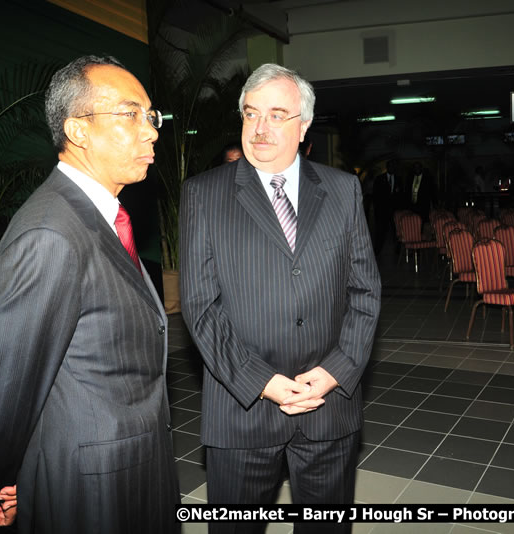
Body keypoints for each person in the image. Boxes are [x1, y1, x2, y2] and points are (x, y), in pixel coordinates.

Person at [0, 55, 179, 533]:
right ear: (77, 131)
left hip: (134, 463)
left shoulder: (100, 216)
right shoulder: (51, 233)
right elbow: (4, 386)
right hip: (89, 485)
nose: (151, 132)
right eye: (130, 115)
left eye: (151, 116)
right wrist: (3, 478)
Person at [180, 63, 381, 533]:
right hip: (242, 411)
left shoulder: (342, 189)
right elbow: (200, 307)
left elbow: (365, 292)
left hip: (328, 411)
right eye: (251, 114)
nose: (260, 128)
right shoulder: (204, 195)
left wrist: (335, 372)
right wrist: (262, 381)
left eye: (276, 114)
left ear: (304, 126)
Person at [372, 158, 402, 255]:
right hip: (382, 211)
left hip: (394, 211)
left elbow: (401, 195)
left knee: (396, 231)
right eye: (391, 166)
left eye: (394, 166)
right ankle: (377, 252)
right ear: (387, 167)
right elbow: (375, 195)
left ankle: (398, 251)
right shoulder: (379, 178)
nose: (393, 168)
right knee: (381, 232)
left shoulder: (398, 179)